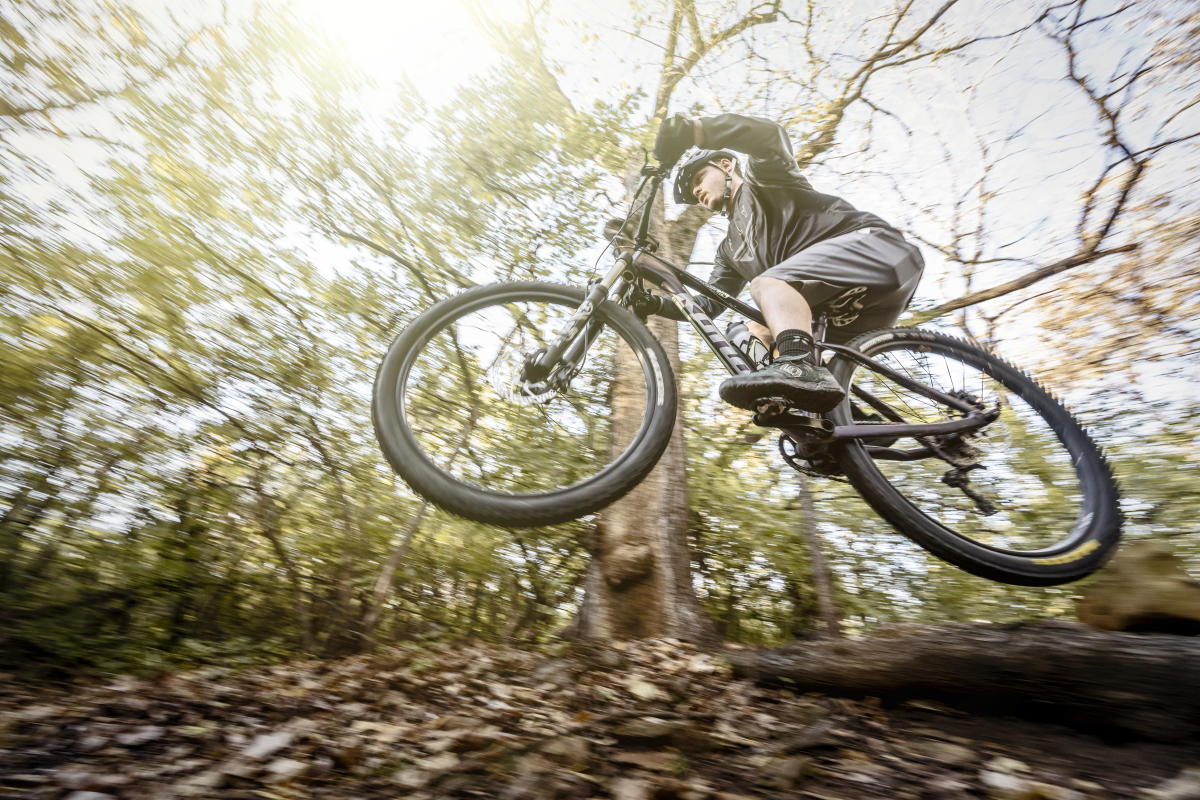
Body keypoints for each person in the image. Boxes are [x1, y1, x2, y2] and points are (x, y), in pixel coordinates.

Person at [647, 112, 924, 413]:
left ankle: (799, 368)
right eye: (692, 192)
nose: (696, 191)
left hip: (878, 251)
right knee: (747, 332)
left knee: (766, 285)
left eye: (699, 179)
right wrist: (654, 305)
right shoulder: (729, 250)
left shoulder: (763, 180)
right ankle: (843, 421)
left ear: (725, 165)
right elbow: (707, 305)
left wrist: (694, 131)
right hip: (843, 312)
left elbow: (768, 136)